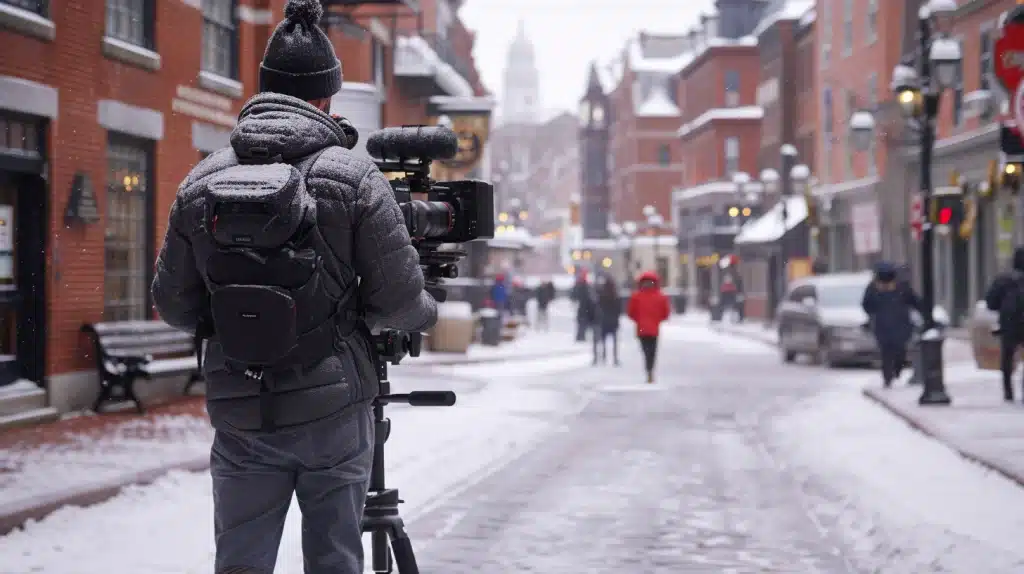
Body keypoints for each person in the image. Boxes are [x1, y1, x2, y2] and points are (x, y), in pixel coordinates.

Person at [150, 1, 438, 571]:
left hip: (240, 408)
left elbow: (171, 303)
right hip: (333, 411)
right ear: (326, 98)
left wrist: (240, 328)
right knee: (334, 558)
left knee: (240, 560)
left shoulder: (203, 178)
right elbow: (399, 300)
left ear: (265, 90)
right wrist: (424, 312)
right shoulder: (354, 177)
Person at [861, 261, 924, 388]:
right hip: (883, 325)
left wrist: (923, 311)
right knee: (886, 352)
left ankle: (896, 370)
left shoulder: (901, 287)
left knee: (900, 350)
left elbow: (914, 300)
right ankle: (887, 376)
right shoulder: (873, 288)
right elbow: (866, 304)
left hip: (900, 324)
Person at [984, 247, 1024, 402]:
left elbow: (990, 302)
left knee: (1007, 357)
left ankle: (1008, 392)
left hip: (1009, 324)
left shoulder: (1003, 280)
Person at [627, 271, 671, 383]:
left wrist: (639, 320)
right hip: (654, 329)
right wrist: (657, 319)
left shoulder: (636, 296)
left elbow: (631, 312)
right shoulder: (660, 296)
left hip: (641, 328)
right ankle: (650, 369)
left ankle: (648, 368)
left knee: (645, 350)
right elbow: (665, 313)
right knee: (653, 350)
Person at [595, 274, 622, 365]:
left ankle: (604, 356)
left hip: (604, 321)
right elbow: (619, 309)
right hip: (613, 321)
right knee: (614, 341)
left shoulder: (602, 295)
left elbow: (599, 306)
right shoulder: (615, 295)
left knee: (603, 340)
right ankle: (615, 357)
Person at [572, 270, 597, 342]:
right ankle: (581, 338)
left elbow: (575, 296)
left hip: (584, 309)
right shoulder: (586, 287)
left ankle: (581, 338)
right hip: (585, 309)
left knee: (582, 325)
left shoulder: (581, 286)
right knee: (583, 325)